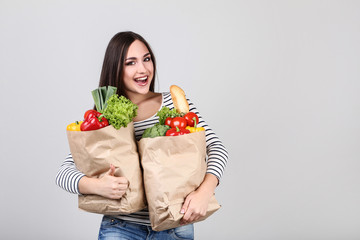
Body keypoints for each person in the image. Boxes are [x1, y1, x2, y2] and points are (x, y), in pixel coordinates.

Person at [56, 31, 228, 240]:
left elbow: (217, 148)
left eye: (146, 59)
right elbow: (64, 173)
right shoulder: (106, 116)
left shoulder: (175, 105)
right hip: (120, 227)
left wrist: (204, 192)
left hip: (175, 225)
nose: (143, 69)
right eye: (131, 62)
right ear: (116, 69)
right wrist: (96, 186)